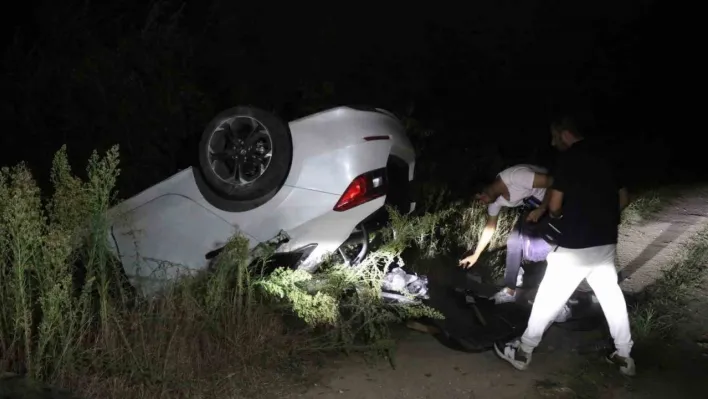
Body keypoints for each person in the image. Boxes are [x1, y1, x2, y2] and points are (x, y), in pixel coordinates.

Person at [494, 116, 635, 376]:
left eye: (554, 136)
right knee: (611, 298)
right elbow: (624, 198)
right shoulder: (607, 156)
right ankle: (624, 356)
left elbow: (556, 204)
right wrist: (601, 219)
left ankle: (523, 351)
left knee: (548, 297)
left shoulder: (570, 159)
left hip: (575, 243)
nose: (552, 142)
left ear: (565, 133)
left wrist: (558, 218)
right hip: (604, 241)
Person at [458, 164, 555, 304]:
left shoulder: (515, 177)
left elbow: (554, 182)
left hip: (554, 203)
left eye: (479, 199)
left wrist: (542, 208)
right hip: (535, 208)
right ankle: (510, 290)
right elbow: (490, 227)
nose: (482, 203)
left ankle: (557, 293)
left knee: (552, 249)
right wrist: (476, 254)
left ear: (484, 190)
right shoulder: (495, 201)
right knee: (514, 242)